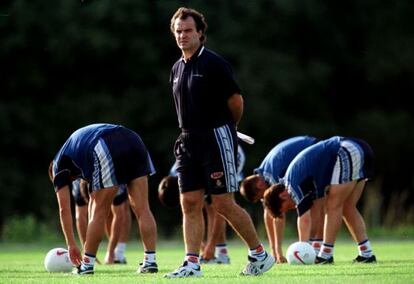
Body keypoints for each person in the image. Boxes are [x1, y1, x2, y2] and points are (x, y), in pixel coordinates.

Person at [165, 7, 274, 278]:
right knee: (189, 202)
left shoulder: (214, 63)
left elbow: (236, 102)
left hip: (215, 137)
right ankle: (192, 264)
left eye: (188, 30)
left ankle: (259, 256)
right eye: (178, 31)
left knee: (223, 203)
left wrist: (229, 127)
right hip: (187, 140)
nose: (183, 35)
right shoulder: (177, 67)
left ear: (200, 33)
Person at [48, 123, 158, 275]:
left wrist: (71, 244)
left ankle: (86, 266)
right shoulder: (74, 155)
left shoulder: (57, 167)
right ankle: (150, 261)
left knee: (98, 210)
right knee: (143, 208)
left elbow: (64, 209)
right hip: (133, 138)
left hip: (105, 143)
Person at [263, 136, 377, 264]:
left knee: (333, 205)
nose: (294, 207)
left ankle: (326, 255)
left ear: (282, 195)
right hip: (355, 147)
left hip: (345, 150)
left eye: (288, 207)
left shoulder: (291, 185)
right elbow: (314, 212)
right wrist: (311, 248)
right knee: (347, 207)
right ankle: (367, 253)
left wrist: (302, 248)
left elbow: (304, 219)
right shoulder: (297, 181)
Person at [240, 136, 323, 263]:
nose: (264, 200)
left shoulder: (273, 175)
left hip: (315, 149)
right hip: (310, 145)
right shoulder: (264, 173)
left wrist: (278, 252)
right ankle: (311, 247)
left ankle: (311, 249)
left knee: (314, 202)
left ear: (260, 185)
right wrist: (274, 251)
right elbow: (269, 212)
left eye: (261, 197)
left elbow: (278, 214)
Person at [159, 145, 246, 265]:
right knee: (196, 206)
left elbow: (219, 214)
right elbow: (188, 213)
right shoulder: (176, 177)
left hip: (229, 153)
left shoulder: (193, 176)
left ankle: (223, 254)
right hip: (205, 159)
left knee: (221, 205)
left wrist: (210, 246)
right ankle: (219, 251)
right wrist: (201, 246)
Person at [71, 179, 131, 265]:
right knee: (101, 213)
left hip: (107, 173)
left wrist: (110, 252)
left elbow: (119, 216)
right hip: (91, 174)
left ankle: (112, 253)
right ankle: (91, 254)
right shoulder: (79, 179)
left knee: (110, 211)